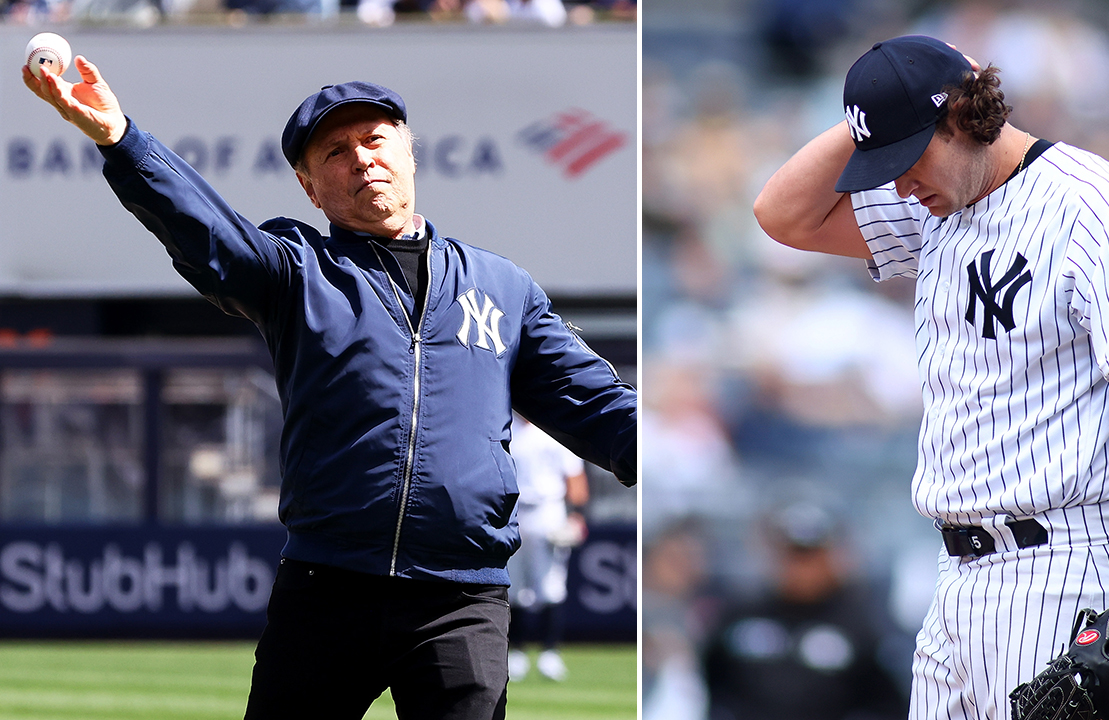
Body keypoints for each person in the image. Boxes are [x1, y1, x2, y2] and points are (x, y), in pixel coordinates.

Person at [23, 57, 636, 720]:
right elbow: (213, 237)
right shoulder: (298, 269)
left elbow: (596, 402)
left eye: (375, 140)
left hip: (460, 598)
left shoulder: (503, 287)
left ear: (410, 151)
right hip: (327, 589)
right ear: (310, 187)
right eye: (336, 151)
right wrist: (122, 140)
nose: (361, 159)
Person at [753, 35, 1109, 720]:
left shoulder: (1096, 208)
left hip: (1063, 563)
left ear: (966, 117)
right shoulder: (936, 207)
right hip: (957, 578)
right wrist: (872, 113)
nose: (899, 181)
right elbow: (780, 214)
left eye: (907, 157)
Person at [701, 501, 909, 720]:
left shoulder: (865, 623)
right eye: (792, 554)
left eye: (811, 555)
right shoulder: (741, 616)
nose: (801, 567)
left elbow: (889, 702)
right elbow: (710, 688)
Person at [505, 414, 588, 682]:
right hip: (514, 511)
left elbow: (574, 476)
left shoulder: (554, 430)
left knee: (550, 584)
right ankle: (516, 651)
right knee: (514, 585)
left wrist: (577, 514)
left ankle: (550, 652)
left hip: (548, 508)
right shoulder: (506, 428)